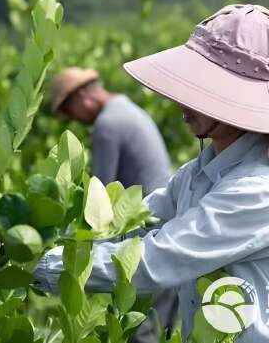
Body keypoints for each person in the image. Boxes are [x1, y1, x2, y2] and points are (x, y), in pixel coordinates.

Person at [36, 4, 269, 343]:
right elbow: (133, 224)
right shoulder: (200, 172)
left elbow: (155, 259)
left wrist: (39, 268)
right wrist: (37, 242)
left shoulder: (261, 189)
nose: (183, 100)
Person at [50, 68, 178, 342]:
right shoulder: (126, 108)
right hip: (169, 226)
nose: (75, 120)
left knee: (142, 333)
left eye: (71, 110)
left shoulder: (108, 125)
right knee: (159, 329)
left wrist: (70, 249)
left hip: (146, 234)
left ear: (82, 96)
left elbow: (100, 198)